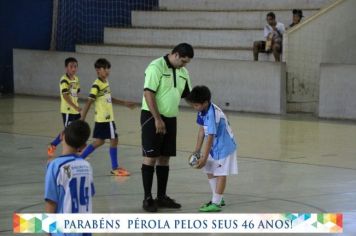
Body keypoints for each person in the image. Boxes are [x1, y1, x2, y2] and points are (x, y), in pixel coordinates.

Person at [141, 43, 194, 212]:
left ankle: (161, 197)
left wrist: (205, 105)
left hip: (171, 118)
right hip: (152, 117)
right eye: (183, 61)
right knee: (151, 157)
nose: (185, 65)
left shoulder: (183, 72)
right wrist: (157, 118)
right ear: (176, 55)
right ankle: (148, 198)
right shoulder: (156, 66)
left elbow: (188, 95)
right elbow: (148, 92)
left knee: (165, 157)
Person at [186, 85, 238, 212]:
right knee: (209, 169)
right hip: (214, 146)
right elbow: (201, 130)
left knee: (220, 173)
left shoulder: (212, 114)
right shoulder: (202, 110)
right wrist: (197, 150)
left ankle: (216, 203)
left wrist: (203, 157)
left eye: (196, 105)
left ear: (205, 102)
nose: (194, 108)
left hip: (223, 147)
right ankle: (218, 196)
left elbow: (210, 136)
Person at [80, 58, 135, 176]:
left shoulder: (105, 82)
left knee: (99, 141)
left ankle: (79, 158)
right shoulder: (97, 85)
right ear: (98, 70)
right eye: (104, 68)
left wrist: (124, 103)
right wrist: (82, 119)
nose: (107, 71)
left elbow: (110, 98)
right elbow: (89, 102)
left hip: (104, 119)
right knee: (114, 140)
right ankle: (115, 167)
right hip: (105, 118)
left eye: (108, 68)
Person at [45, 120, 94, 215]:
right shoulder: (87, 166)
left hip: (64, 227)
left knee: (22, 224)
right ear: (84, 146)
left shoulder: (55, 166)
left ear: (62, 135)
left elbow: (51, 202)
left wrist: (49, 228)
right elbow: (89, 193)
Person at [47, 57, 81, 160]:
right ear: (66, 68)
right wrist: (75, 106)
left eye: (75, 66)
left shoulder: (76, 79)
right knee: (68, 131)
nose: (73, 69)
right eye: (71, 67)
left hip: (75, 110)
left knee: (75, 129)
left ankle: (76, 147)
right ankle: (54, 145)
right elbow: (65, 96)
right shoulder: (64, 80)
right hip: (67, 111)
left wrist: (76, 104)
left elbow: (77, 92)